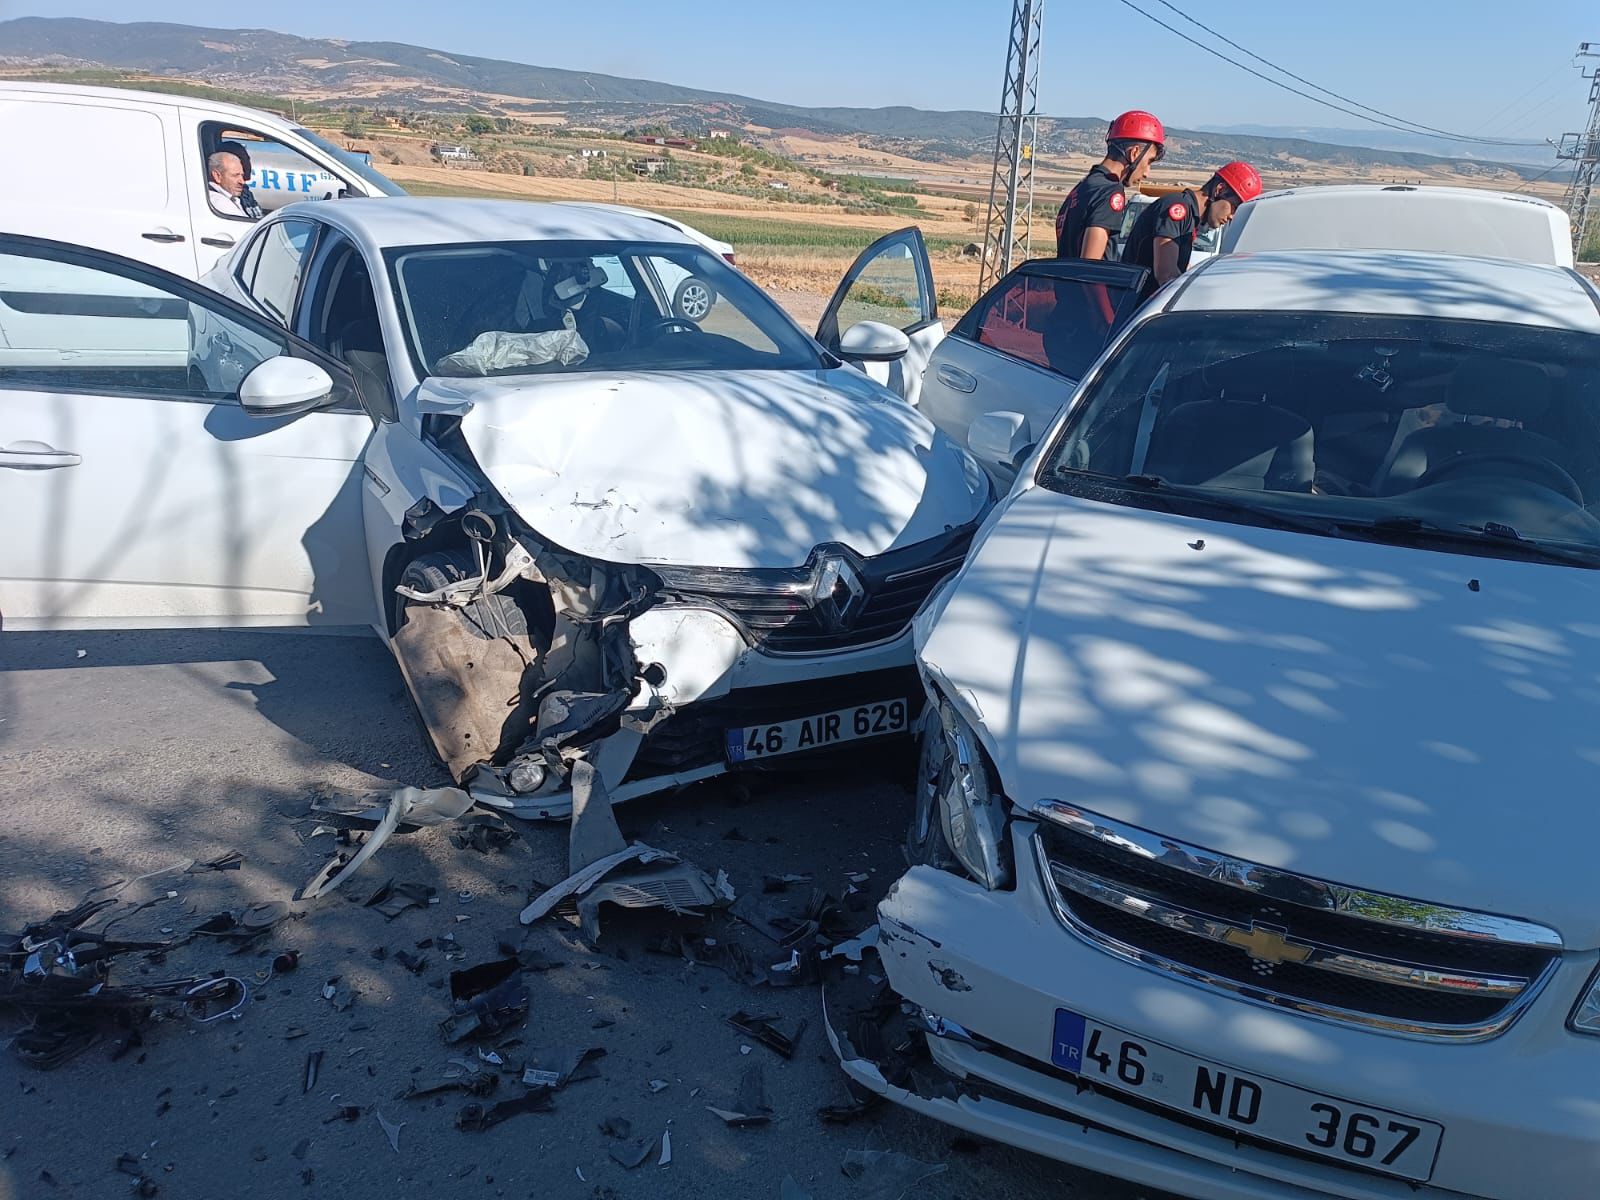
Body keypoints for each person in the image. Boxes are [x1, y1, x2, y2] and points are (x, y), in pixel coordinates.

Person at [1123, 160, 1262, 291]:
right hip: (1134, 306)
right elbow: (1166, 275)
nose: (1232, 216)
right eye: (1234, 207)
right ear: (1220, 189)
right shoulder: (1179, 209)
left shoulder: (1191, 217)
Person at [1055, 110, 1166, 261]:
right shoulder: (1111, 192)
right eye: (1149, 162)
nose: (1147, 173)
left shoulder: (1085, 186)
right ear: (1134, 153)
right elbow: (1089, 265)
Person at [218, 140, 265, 219]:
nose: (248, 165)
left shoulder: (245, 192)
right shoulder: (226, 198)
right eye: (243, 160)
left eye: (248, 159)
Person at [206, 151, 254, 220]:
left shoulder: (230, 198)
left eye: (242, 175)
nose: (242, 182)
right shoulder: (220, 202)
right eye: (235, 175)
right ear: (217, 176)